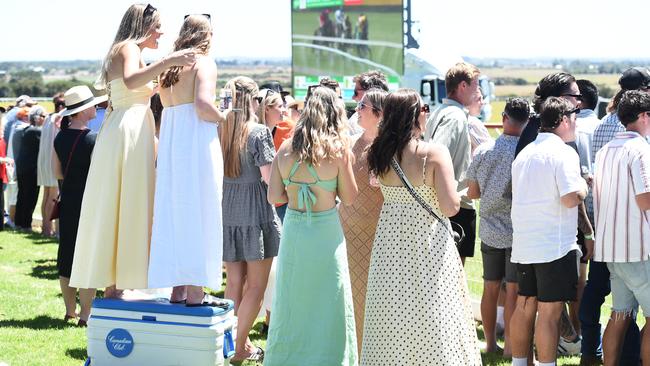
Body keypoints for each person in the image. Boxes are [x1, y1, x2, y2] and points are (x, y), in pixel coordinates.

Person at [69, 3, 197, 297]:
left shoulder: (131, 52)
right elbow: (130, 81)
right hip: (128, 129)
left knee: (127, 204)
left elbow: (133, 86)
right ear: (143, 25)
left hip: (130, 127)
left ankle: (117, 285)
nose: (162, 32)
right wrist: (168, 61)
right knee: (124, 203)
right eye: (158, 26)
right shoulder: (127, 48)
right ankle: (115, 286)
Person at [362, 88, 480, 365]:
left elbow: (373, 183)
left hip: (390, 244)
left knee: (392, 316)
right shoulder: (433, 153)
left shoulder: (378, 153)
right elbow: (451, 207)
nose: (427, 113)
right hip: (428, 243)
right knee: (435, 310)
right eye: (424, 109)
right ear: (414, 115)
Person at [265, 86, 358, 365]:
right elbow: (350, 198)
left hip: (294, 229)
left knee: (293, 301)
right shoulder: (338, 152)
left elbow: (274, 197)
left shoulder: (284, 148)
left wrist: (296, 191)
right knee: (330, 299)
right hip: (326, 234)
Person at [148, 14, 227, 307]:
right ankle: (195, 294)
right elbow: (204, 106)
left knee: (175, 213)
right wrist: (226, 119)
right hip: (195, 142)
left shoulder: (169, 65)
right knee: (201, 211)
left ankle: (178, 289)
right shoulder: (203, 63)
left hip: (171, 143)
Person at [510, 97, 590, 366]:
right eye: (575, 118)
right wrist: (584, 186)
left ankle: (520, 363)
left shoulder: (524, 153)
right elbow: (570, 197)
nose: (576, 123)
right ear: (564, 120)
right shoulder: (565, 152)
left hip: (524, 244)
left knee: (524, 306)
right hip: (554, 245)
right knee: (549, 313)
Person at [580, 68, 649, 366]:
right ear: (644, 116)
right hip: (638, 248)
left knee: (619, 314)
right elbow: (645, 199)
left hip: (611, 249)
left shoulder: (607, 149)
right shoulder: (641, 150)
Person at [220, 76, 280, 363]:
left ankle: (225, 343)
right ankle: (238, 347)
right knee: (255, 287)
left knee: (233, 284)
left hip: (229, 212)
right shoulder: (258, 133)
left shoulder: (222, 129)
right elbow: (269, 179)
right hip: (256, 212)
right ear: (254, 101)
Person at [466, 97, 530, 356]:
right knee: (514, 290)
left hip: (490, 230)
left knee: (489, 286)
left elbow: (473, 192)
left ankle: (490, 342)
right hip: (518, 232)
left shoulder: (483, 151)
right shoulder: (526, 152)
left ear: (503, 117)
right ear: (527, 122)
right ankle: (511, 349)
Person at [338, 88, 387, 353]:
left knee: (377, 297)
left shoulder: (390, 149)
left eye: (363, 106)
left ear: (379, 113)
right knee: (351, 294)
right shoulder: (350, 143)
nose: (356, 109)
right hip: (347, 229)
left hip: (379, 233)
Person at [52, 85, 105, 327]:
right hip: (89, 202)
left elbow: (57, 172)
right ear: (82, 111)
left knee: (67, 254)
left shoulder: (60, 137)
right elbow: (98, 175)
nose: (96, 107)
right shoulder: (93, 138)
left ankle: (70, 310)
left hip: (68, 200)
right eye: (92, 105)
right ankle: (86, 315)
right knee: (88, 256)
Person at [424, 61, 481, 266]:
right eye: (475, 85)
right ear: (463, 86)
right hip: (453, 205)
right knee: (452, 277)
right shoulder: (455, 117)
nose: (478, 91)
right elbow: (437, 156)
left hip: (445, 203)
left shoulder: (441, 112)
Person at [37, 93, 65, 236]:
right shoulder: (57, 119)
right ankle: (48, 230)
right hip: (52, 161)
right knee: (52, 197)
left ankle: (45, 227)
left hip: (44, 161)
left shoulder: (48, 118)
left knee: (47, 195)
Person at [14, 106, 45, 231]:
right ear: (37, 118)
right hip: (31, 170)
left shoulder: (27, 130)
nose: (45, 118)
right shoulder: (36, 131)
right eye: (43, 116)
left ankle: (19, 222)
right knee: (30, 197)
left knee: (22, 196)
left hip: (23, 168)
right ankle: (26, 224)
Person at [349, 70, 389, 135]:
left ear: (371, 91)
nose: (353, 97)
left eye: (356, 93)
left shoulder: (358, 121)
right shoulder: (356, 120)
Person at [467, 89, 492, 153]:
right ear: (468, 101)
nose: (483, 102)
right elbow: (487, 153)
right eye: (479, 99)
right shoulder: (472, 123)